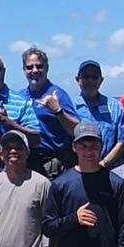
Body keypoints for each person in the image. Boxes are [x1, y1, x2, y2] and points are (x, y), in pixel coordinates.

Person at [20, 46, 80, 175]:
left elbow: (76, 130)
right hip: (27, 162)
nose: (34, 70)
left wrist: (58, 111)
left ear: (47, 68)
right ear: (24, 70)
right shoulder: (20, 97)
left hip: (52, 163)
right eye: (30, 67)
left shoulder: (58, 94)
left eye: (39, 66)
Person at [72, 60, 124, 169]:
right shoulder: (70, 107)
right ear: (78, 80)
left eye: (94, 77)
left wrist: (103, 164)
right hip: (79, 171)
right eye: (86, 77)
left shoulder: (115, 106)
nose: (90, 81)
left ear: (101, 80)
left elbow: (122, 141)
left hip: (109, 169)